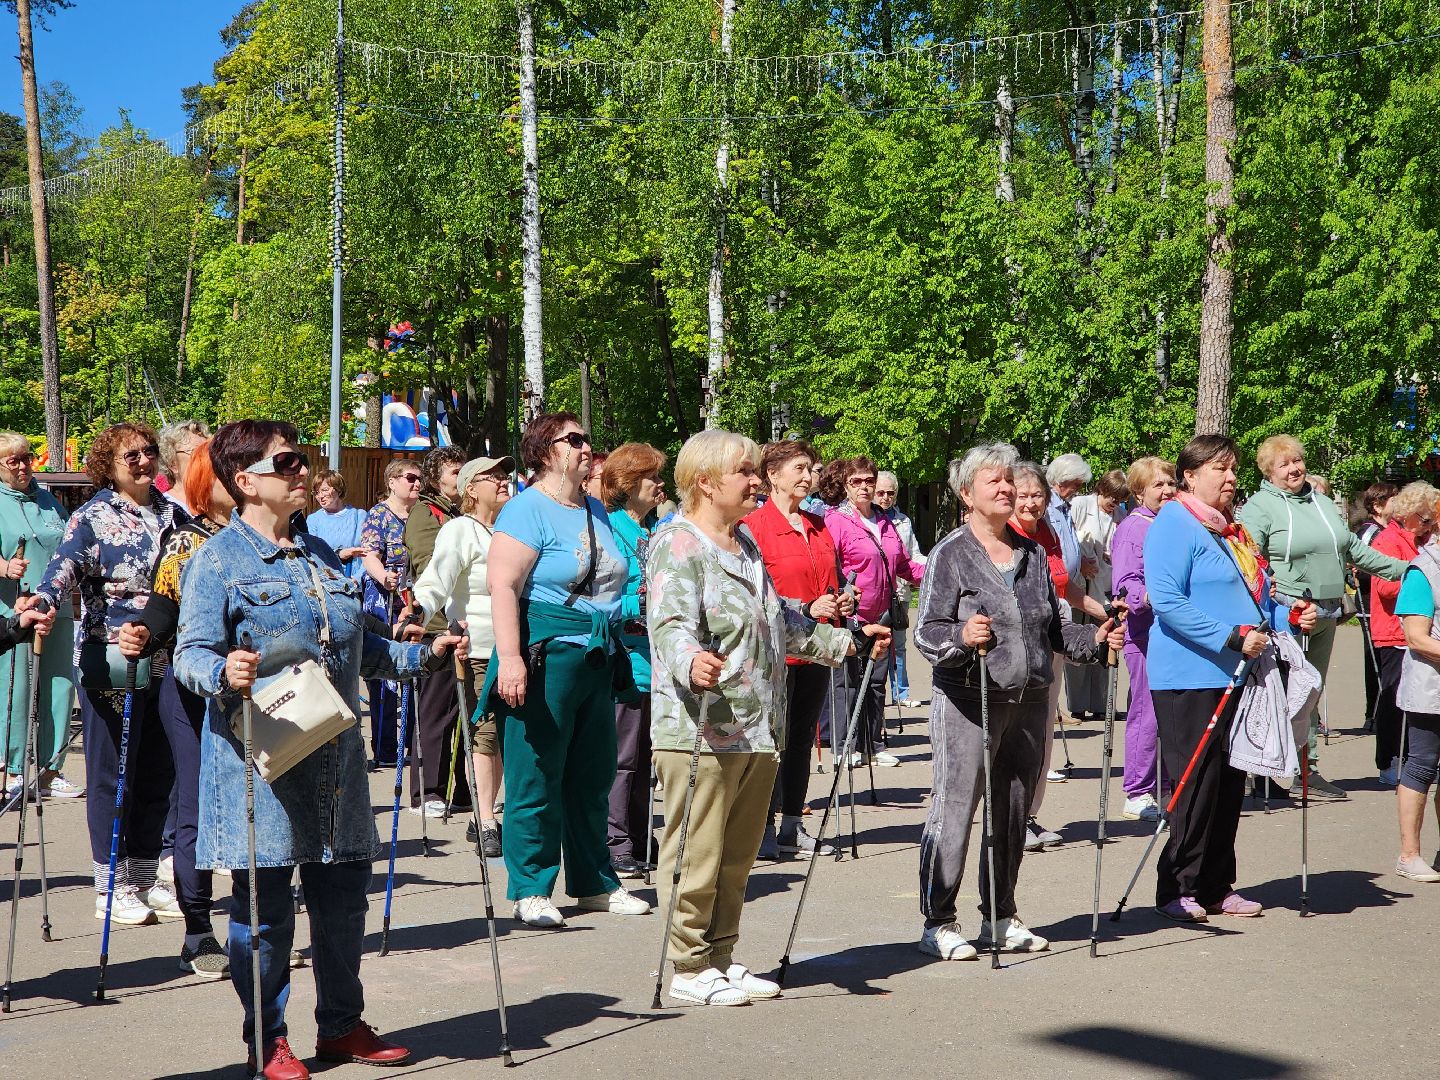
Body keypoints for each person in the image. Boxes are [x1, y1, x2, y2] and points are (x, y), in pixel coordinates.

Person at [173, 420, 466, 1079]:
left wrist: (426, 657)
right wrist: (224, 672)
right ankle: (267, 1039)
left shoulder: (323, 558)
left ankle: (341, 1026)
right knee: (266, 912)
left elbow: (364, 646)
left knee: (343, 901)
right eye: (288, 461)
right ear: (245, 481)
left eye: (304, 459)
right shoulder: (217, 562)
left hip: (336, 762)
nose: (304, 469)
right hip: (263, 767)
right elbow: (190, 654)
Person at [647, 429, 884, 1003]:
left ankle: (721, 956)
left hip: (758, 726)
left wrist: (845, 641)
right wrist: (691, 661)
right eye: (745, 472)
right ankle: (686, 966)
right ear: (705, 482)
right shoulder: (677, 544)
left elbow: (779, 625)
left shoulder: (745, 546)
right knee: (696, 852)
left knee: (737, 855)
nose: (757, 481)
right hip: (701, 724)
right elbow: (668, 624)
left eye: (757, 471)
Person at [914, 442, 1122, 961]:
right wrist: (962, 635)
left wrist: (1096, 641)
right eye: (995, 482)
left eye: (1010, 480)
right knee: (956, 809)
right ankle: (939, 920)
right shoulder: (951, 554)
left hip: (1030, 699)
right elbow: (926, 634)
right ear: (967, 494)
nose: (1007, 489)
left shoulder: (1030, 553)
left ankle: (999, 915)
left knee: (1011, 813)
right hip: (969, 699)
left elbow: (1054, 630)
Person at [484, 412, 650, 927]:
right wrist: (510, 659)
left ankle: (595, 882)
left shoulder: (594, 508)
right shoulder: (525, 509)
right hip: (544, 653)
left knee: (592, 773)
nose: (585, 447)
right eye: (573, 439)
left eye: (586, 439)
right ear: (544, 450)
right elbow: (503, 587)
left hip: (599, 657)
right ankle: (530, 887)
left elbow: (610, 583)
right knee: (536, 771)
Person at [1145, 434, 1315, 921]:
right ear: (1190, 476)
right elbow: (1168, 602)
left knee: (1227, 782)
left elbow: (1254, 599)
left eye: (1234, 469)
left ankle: (1217, 885)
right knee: (1194, 783)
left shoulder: (1228, 531)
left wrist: (1286, 620)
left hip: (1238, 672)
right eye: (1220, 469)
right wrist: (1230, 636)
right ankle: (1178, 887)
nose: (1231, 478)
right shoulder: (1174, 524)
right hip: (1188, 675)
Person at [35, 422, 183, 926]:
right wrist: (43, 601)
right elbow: (62, 568)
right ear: (109, 466)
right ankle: (110, 881)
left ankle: (143, 874)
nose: (143, 461)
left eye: (147, 452)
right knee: (112, 770)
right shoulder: (93, 516)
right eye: (130, 456)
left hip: (165, 657)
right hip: (111, 658)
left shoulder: (172, 513)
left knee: (158, 768)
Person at [120, 440, 234, 978]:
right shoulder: (186, 540)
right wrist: (143, 630)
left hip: (258, 696)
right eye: (229, 472)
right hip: (189, 693)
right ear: (206, 483)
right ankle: (198, 930)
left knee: (259, 810)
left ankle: (256, 924)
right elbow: (163, 607)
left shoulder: (273, 539)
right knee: (196, 809)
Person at [1239, 435, 1406, 799]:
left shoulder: (1321, 501)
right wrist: (1278, 603)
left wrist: (1409, 570)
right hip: (1288, 615)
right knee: (1280, 693)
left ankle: (1306, 770)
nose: (1294, 468)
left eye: (1297, 460)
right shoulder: (1260, 507)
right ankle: (1262, 770)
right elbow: (1248, 561)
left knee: (1310, 692)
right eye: (1284, 464)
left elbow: (1354, 549)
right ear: (1268, 471)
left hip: (1327, 612)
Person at [744, 439, 855, 861]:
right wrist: (807, 606)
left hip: (818, 647)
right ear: (772, 474)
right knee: (771, 739)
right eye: (799, 469)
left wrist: (845, 597)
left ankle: (793, 823)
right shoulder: (754, 527)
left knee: (802, 737)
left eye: (810, 468)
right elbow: (756, 591)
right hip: (773, 651)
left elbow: (836, 577)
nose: (808, 476)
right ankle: (762, 827)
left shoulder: (818, 524)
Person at [411, 454, 514, 858]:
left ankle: (481, 813)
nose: (504, 481)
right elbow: (436, 578)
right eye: (494, 476)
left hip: (519, 650)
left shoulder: (512, 528)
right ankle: (487, 819)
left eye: (506, 474)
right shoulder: (460, 530)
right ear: (472, 488)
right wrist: (415, 611)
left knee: (505, 738)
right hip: (479, 649)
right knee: (485, 735)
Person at [1009, 461, 1108, 848]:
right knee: (1016, 733)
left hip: (1055, 633)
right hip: (1018, 645)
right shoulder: (1007, 536)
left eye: (1037, 496)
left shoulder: (1048, 532)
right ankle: (1006, 818)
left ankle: (1028, 816)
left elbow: (1064, 590)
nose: (1031, 503)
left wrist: (1105, 610)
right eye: (1023, 495)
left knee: (1043, 732)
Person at [820, 456, 923, 768]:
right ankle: (843, 746)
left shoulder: (885, 520)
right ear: (845, 485)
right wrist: (841, 595)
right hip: (851, 615)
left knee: (877, 683)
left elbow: (904, 565)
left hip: (884, 615)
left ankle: (873, 744)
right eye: (856, 481)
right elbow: (829, 568)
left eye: (869, 480)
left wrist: (939, 573)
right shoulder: (836, 521)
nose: (864, 487)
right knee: (847, 683)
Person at [599, 441, 668, 878]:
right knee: (622, 758)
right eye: (652, 478)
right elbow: (603, 596)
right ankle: (616, 841)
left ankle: (642, 836)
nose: (660, 486)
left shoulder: (652, 531)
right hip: (624, 660)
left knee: (647, 757)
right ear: (628, 484)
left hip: (656, 664)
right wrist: (639, 607)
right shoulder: (610, 529)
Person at [0, 431, 79, 802]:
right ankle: (12, 769)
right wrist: (4, 567)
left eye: (26, 458)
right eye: (12, 461)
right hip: (13, 610)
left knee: (59, 686)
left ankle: (51, 769)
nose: (22, 466)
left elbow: (71, 543)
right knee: (16, 690)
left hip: (56, 607)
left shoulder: (49, 501)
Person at [1111, 457, 1178, 822]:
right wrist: (1152, 596)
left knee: (1171, 712)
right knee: (1147, 713)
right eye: (1158, 485)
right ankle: (1137, 791)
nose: (1167, 491)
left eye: (1170, 483)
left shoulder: (1171, 522)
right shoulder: (1134, 528)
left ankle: (1166, 786)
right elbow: (1125, 583)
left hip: (1176, 634)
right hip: (1145, 633)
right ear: (1139, 492)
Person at [403, 445, 467, 817]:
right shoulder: (426, 513)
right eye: (453, 470)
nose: (460, 476)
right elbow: (431, 569)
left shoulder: (459, 513)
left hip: (461, 625)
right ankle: (426, 790)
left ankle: (459, 790)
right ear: (435, 477)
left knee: (459, 714)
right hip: (438, 626)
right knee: (435, 713)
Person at [1368, 482, 1435, 789]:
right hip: (1392, 631)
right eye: (1421, 519)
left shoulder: (1422, 539)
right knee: (1393, 699)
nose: (1425, 525)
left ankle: (1414, 757)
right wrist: (1418, 581)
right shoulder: (1388, 539)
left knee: (1419, 704)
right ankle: (1388, 760)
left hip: (1419, 629)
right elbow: (1382, 586)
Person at [359, 458, 422, 768]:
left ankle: (410, 744)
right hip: (385, 601)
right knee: (384, 675)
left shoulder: (422, 514)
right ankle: (384, 747)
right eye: (410, 478)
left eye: (419, 478)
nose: (416, 483)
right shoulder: (378, 516)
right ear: (393, 481)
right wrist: (383, 575)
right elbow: (369, 554)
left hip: (416, 601)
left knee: (414, 671)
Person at [1391, 494, 1440, 882]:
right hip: (1430, 687)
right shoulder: (1422, 571)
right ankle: (1410, 855)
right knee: (1422, 765)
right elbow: (1417, 638)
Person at [1066, 469, 1130, 721]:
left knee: (1105, 643)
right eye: (1111, 496)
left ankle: (1103, 704)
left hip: (1105, 585)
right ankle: (1078, 703)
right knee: (1079, 641)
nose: (1113, 502)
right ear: (1101, 490)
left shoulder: (1120, 515)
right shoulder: (1081, 505)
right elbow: (1067, 539)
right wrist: (1081, 560)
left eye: (1119, 498)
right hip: (1080, 586)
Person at [875, 470, 926, 708]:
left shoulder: (903, 520)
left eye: (890, 493)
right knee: (875, 644)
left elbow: (914, 555)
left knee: (899, 644)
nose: (885, 497)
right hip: (874, 592)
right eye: (880, 493)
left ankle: (901, 693)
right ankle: (874, 694)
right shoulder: (865, 520)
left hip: (900, 592)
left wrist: (933, 568)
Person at [1354, 480, 1399, 734]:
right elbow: (1360, 570)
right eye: (1393, 499)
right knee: (1375, 660)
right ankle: (1373, 713)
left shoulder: (1392, 529)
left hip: (1389, 605)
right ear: (1378, 505)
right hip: (1372, 602)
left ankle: (1381, 711)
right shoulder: (1370, 532)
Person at [305, 468, 367, 581]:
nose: (320, 496)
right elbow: (313, 555)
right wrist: (339, 554)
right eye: (316, 493)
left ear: (338, 490)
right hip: (327, 582)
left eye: (324, 490)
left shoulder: (359, 516)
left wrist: (357, 579)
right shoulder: (313, 520)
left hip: (356, 583)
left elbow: (370, 552)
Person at [157, 419, 210, 514]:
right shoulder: (164, 509)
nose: (207, 458)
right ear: (173, 464)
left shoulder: (221, 497)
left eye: (209, 451)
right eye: (197, 452)